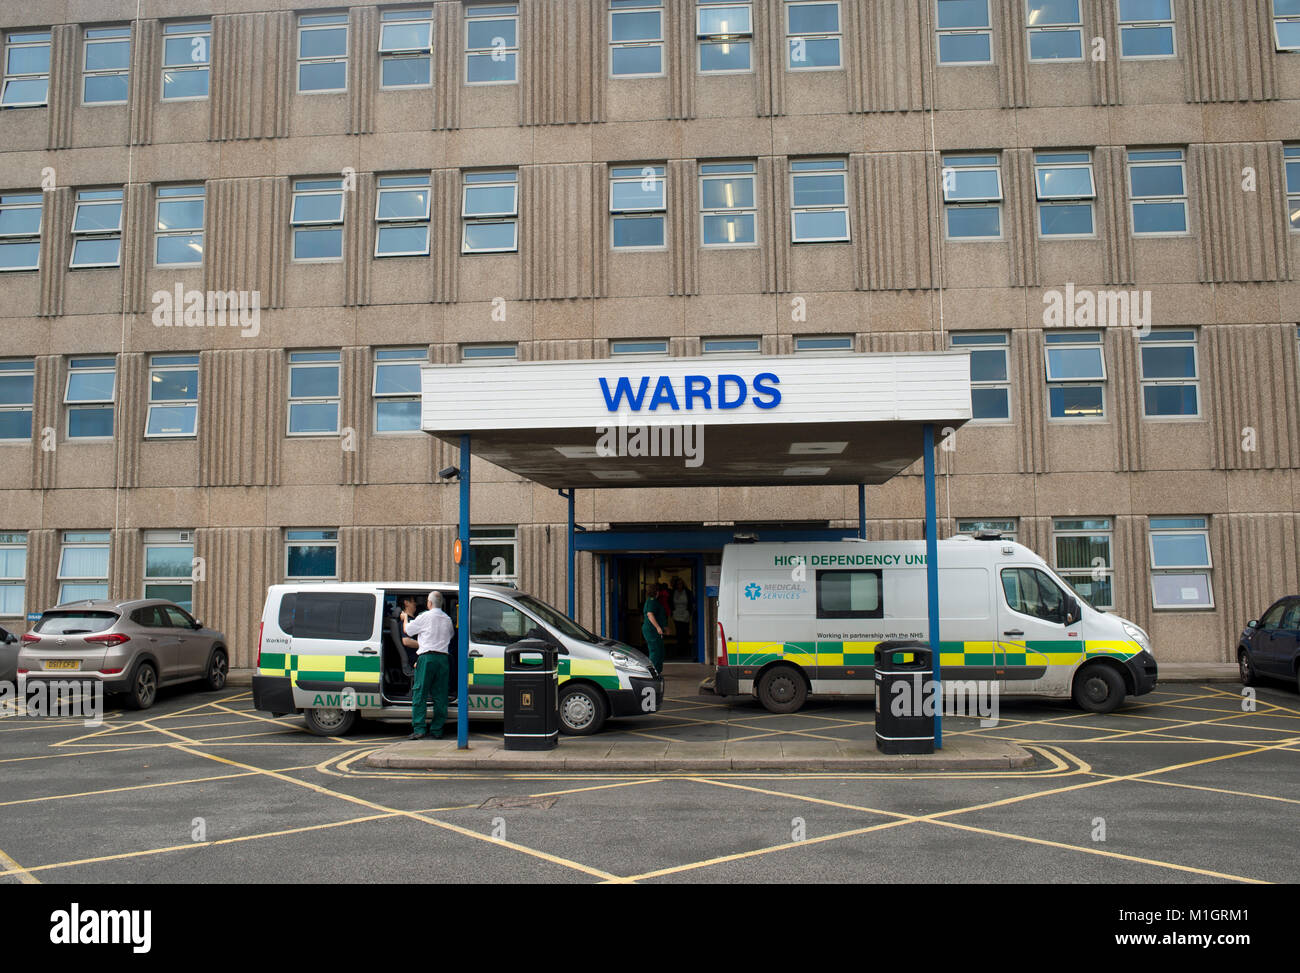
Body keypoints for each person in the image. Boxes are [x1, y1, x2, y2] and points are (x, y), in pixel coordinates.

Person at [405, 590, 453, 739]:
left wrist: (405, 618)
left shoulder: (424, 616)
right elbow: (450, 635)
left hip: (427, 659)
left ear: (429, 603)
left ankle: (419, 729)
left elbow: (408, 631)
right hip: (443, 659)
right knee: (440, 696)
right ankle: (437, 729)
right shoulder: (447, 619)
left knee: (420, 693)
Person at [642, 583, 668, 674]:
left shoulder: (654, 601)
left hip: (654, 630)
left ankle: (657, 671)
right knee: (655, 651)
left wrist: (663, 627)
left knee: (659, 651)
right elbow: (650, 614)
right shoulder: (652, 601)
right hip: (652, 630)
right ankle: (652, 673)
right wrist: (658, 628)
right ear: (657, 592)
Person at [670, 576, 693, 655]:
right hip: (676, 614)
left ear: (683, 584)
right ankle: (679, 649)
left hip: (685, 614)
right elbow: (670, 603)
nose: (679, 585)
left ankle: (686, 648)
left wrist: (689, 612)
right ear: (675, 585)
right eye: (678, 584)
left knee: (685, 632)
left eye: (681, 584)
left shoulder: (687, 592)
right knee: (679, 632)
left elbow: (691, 602)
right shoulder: (673, 592)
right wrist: (672, 612)